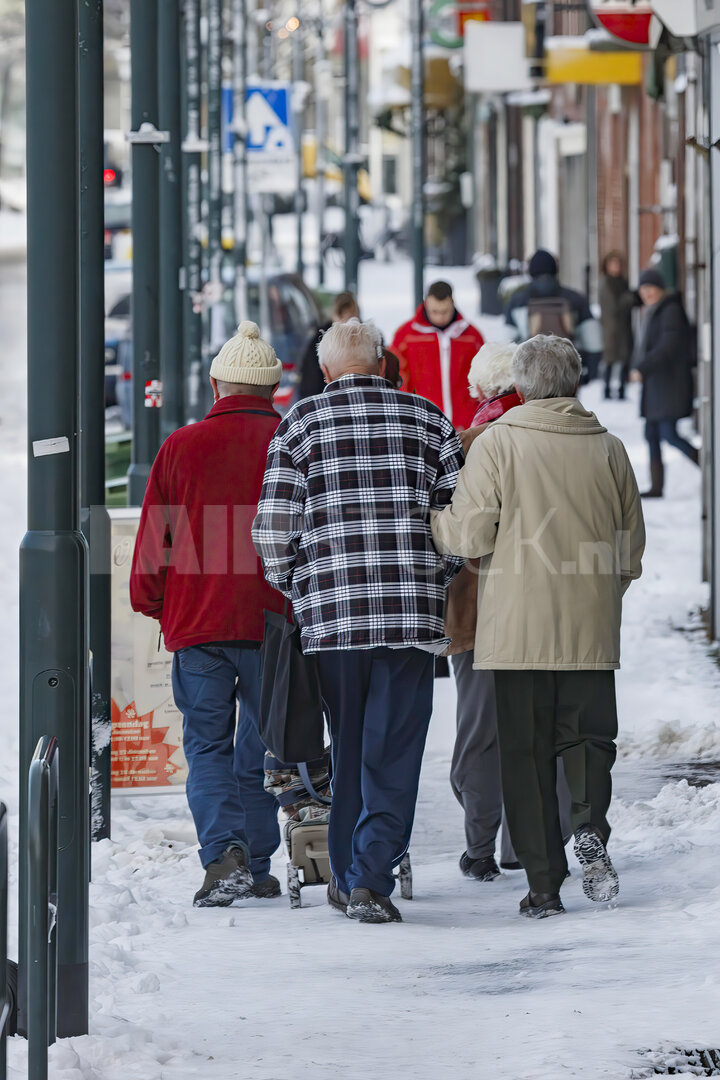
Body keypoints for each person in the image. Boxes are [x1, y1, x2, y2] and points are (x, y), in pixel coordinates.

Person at [252, 319, 465, 924]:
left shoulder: (301, 423)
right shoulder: (427, 419)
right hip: (408, 617)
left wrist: (299, 587)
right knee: (394, 749)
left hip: (333, 619)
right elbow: (458, 519)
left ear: (325, 372)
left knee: (346, 747)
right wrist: (435, 577)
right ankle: (368, 876)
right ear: (381, 363)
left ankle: (350, 875)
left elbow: (272, 530)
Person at [432, 334, 645, 919]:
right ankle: (588, 825)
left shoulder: (497, 444)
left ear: (521, 387)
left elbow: (471, 536)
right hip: (590, 631)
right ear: (575, 382)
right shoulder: (609, 448)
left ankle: (544, 887)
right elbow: (630, 551)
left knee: (523, 753)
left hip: (515, 633)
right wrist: (600, 593)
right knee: (588, 742)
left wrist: (435, 523)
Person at [130, 321, 286, 908]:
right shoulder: (291, 440)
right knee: (267, 741)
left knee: (207, 746)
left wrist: (152, 599)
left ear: (217, 386)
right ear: (273, 388)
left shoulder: (181, 446)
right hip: (275, 619)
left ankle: (224, 857)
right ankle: (260, 857)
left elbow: (155, 538)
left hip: (199, 624)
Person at [447, 342, 571, 881]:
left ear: (479, 389)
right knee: (547, 727)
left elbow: (468, 531)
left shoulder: (470, 442)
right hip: (548, 606)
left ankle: (480, 845)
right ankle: (533, 843)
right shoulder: (563, 440)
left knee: (481, 731)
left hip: (480, 611)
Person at [629, 268, 699, 498]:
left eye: (651, 288)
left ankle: (708, 465)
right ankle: (656, 487)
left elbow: (667, 347)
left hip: (669, 384)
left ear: (660, 289)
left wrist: (642, 367)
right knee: (651, 433)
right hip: (657, 385)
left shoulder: (670, 310)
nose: (646, 293)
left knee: (668, 433)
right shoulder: (655, 310)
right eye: (643, 288)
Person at [391, 280, 484, 429]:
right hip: (422, 423)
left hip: (465, 425)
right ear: (426, 303)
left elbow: (483, 378)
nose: (440, 317)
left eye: (445, 311)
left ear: (452, 303)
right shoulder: (405, 336)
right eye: (434, 311)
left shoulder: (472, 336)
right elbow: (397, 376)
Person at [505, 249, 603, 383]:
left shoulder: (518, 300)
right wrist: (590, 372)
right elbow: (593, 338)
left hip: (531, 372)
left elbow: (507, 340)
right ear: (555, 270)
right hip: (567, 371)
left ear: (531, 271)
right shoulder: (575, 299)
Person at [298, 291, 361, 400]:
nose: (346, 324)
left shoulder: (368, 337)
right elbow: (310, 383)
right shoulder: (319, 340)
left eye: (351, 318)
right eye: (342, 318)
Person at [599, 251, 637, 400]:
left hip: (623, 326)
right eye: (612, 263)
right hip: (612, 328)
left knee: (624, 358)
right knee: (610, 359)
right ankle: (607, 389)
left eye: (618, 264)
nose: (616, 267)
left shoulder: (622, 281)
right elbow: (613, 305)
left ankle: (622, 389)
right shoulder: (606, 283)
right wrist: (630, 298)